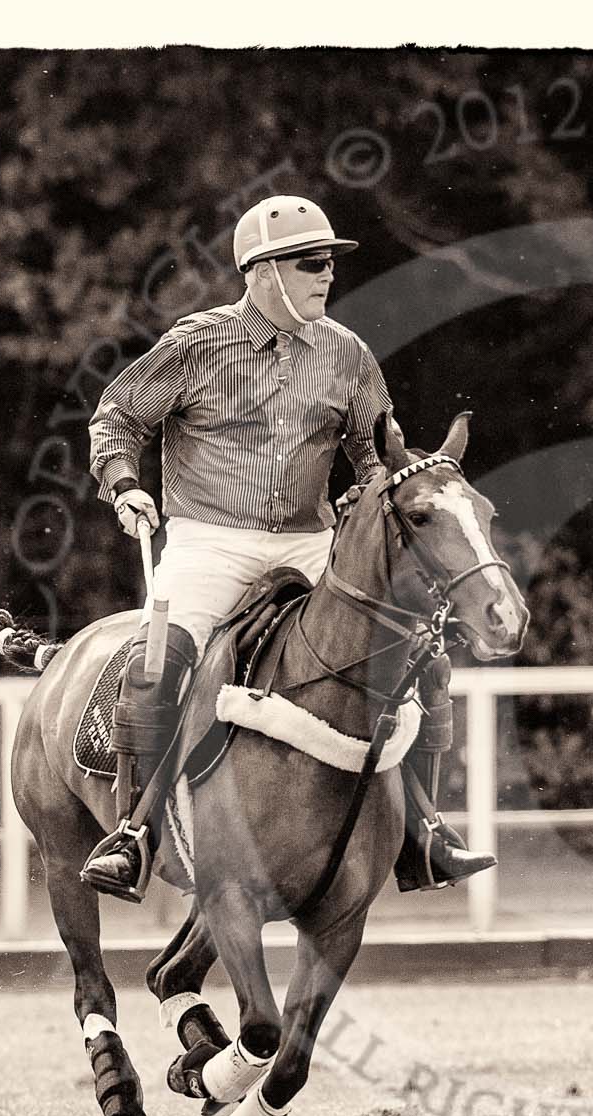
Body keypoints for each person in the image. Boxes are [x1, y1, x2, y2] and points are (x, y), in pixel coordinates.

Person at [79, 192, 495, 899]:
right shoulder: (193, 344)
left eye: (330, 262)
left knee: (422, 661)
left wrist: (374, 500)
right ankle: (133, 833)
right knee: (159, 665)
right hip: (209, 542)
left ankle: (422, 831)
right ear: (262, 271)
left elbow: (375, 458)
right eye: (311, 263)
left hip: (311, 545)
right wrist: (125, 486)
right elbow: (115, 418)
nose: (326, 275)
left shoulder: (349, 354)